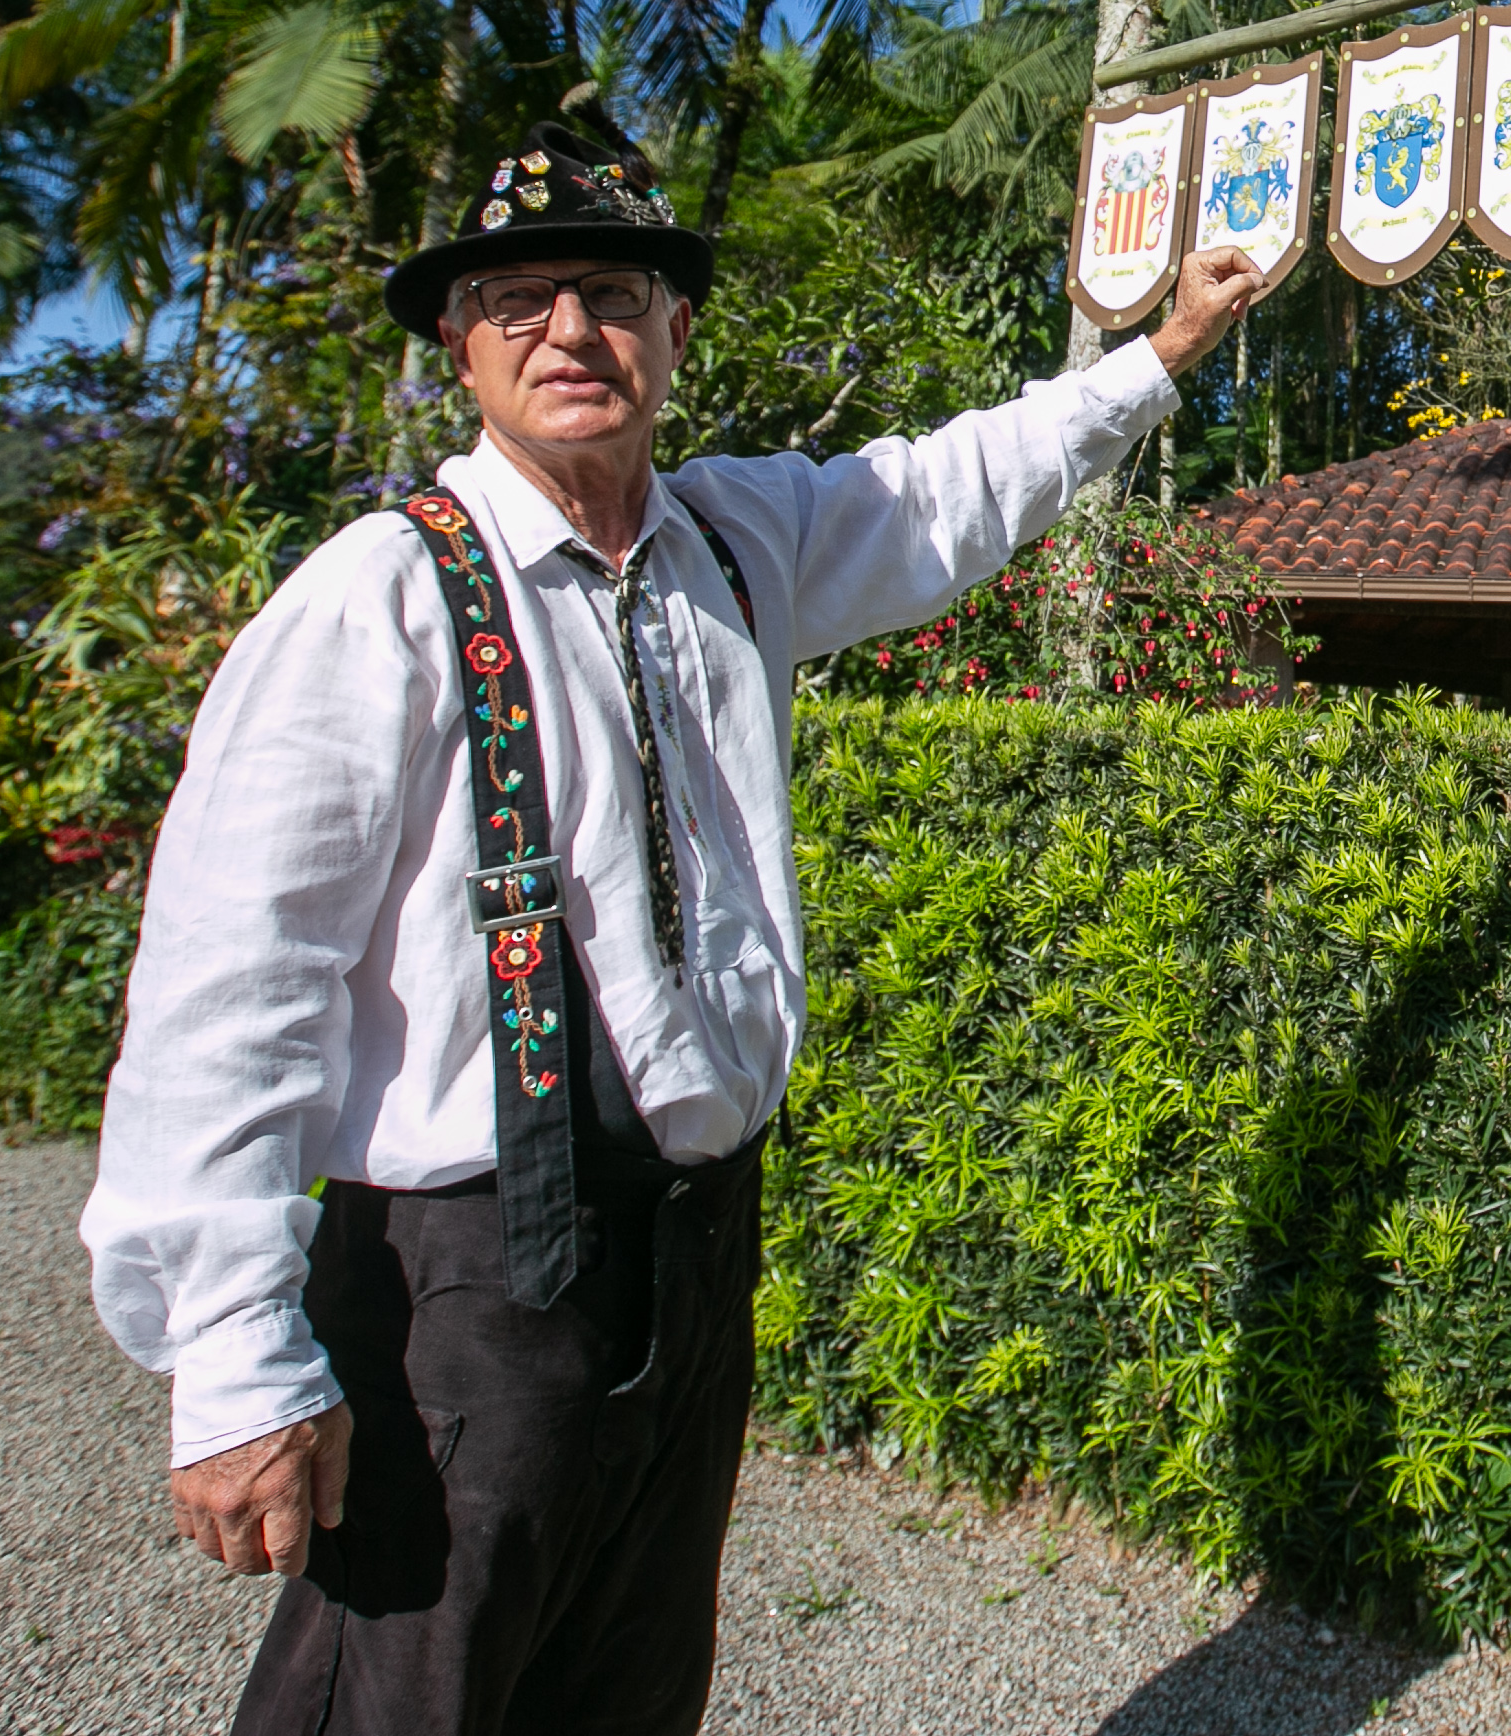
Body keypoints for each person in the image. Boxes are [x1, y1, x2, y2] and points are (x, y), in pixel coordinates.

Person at [78, 124, 1254, 1733]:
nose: (570, 331)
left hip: (699, 1244)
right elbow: (231, 987)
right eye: (517, 299)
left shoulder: (735, 541)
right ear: (460, 346)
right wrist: (229, 1356)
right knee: (409, 1699)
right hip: (469, 1284)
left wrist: (1165, 351)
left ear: (674, 330)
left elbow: (955, 488)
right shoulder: (381, 593)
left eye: (612, 292)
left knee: (626, 1690)